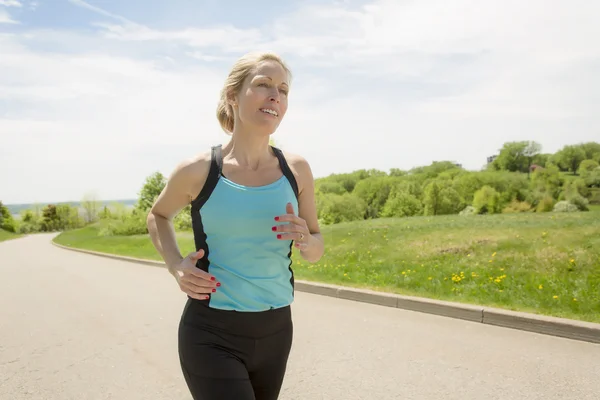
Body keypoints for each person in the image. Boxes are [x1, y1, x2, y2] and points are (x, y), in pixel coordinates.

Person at [146, 51, 324, 400]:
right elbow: (158, 215)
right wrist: (174, 265)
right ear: (232, 96)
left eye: (284, 90)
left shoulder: (296, 170)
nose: (276, 95)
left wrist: (306, 239)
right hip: (212, 333)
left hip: (276, 331)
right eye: (263, 85)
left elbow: (315, 248)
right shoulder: (199, 169)